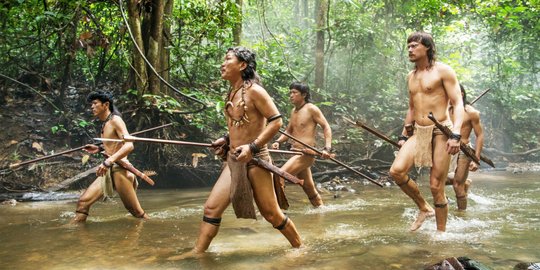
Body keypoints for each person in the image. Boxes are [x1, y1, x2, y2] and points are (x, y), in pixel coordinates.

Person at [190, 47, 302, 254]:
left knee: (271, 214)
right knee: (211, 208)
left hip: (256, 159)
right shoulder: (232, 91)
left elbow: (276, 121)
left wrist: (252, 147)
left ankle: (299, 248)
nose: (222, 64)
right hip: (234, 159)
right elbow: (240, 125)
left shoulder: (255, 91)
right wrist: (225, 139)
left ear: (242, 65)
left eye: (227, 60)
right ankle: (197, 254)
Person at [389, 31, 464, 232]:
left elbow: (458, 103)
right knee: (396, 171)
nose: (410, 50)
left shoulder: (443, 71)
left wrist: (456, 134)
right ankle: (424, 208)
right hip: (420, 132)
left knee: (435, 185)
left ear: (427, 47)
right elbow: (412, 108)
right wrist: (403, 135)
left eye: (414, 46)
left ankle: (441, 234)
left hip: (442, 131)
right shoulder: (411, 76)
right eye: (409, 47)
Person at [71, 91, 148, 223]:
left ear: (106, 105)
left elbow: (129, 146)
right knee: (83, 203)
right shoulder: (105, 123)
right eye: (91, 104)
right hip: (110, 169)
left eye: (95, 103)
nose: (92, 107)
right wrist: (100, 148)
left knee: (136, 212)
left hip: (120, 170)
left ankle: (155, 229)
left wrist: (108, 161)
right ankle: (73, 231)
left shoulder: (115, 120)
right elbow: (114, 146)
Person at [271, 82, 332, 207]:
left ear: (304, 94)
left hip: (305, 154)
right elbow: (288, 131)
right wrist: (278, 141)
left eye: (294, 93)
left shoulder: (311, 109)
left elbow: (326, 127)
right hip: (294, 152)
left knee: (279, 175)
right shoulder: (294, 111)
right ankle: (321, 209)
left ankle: (277, 210)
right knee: (309, 189)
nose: (291, 95)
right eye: (290, 93)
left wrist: (327, 148)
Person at [446, 84, 484, 210]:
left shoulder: (471, 112)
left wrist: (476, 159)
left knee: (457, 185)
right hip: (447, 148)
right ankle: (465, 182)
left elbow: (480, 135)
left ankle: (462, 215)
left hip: (464, 149)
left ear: (461, 94)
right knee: (437, 181)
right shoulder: (445, 110)